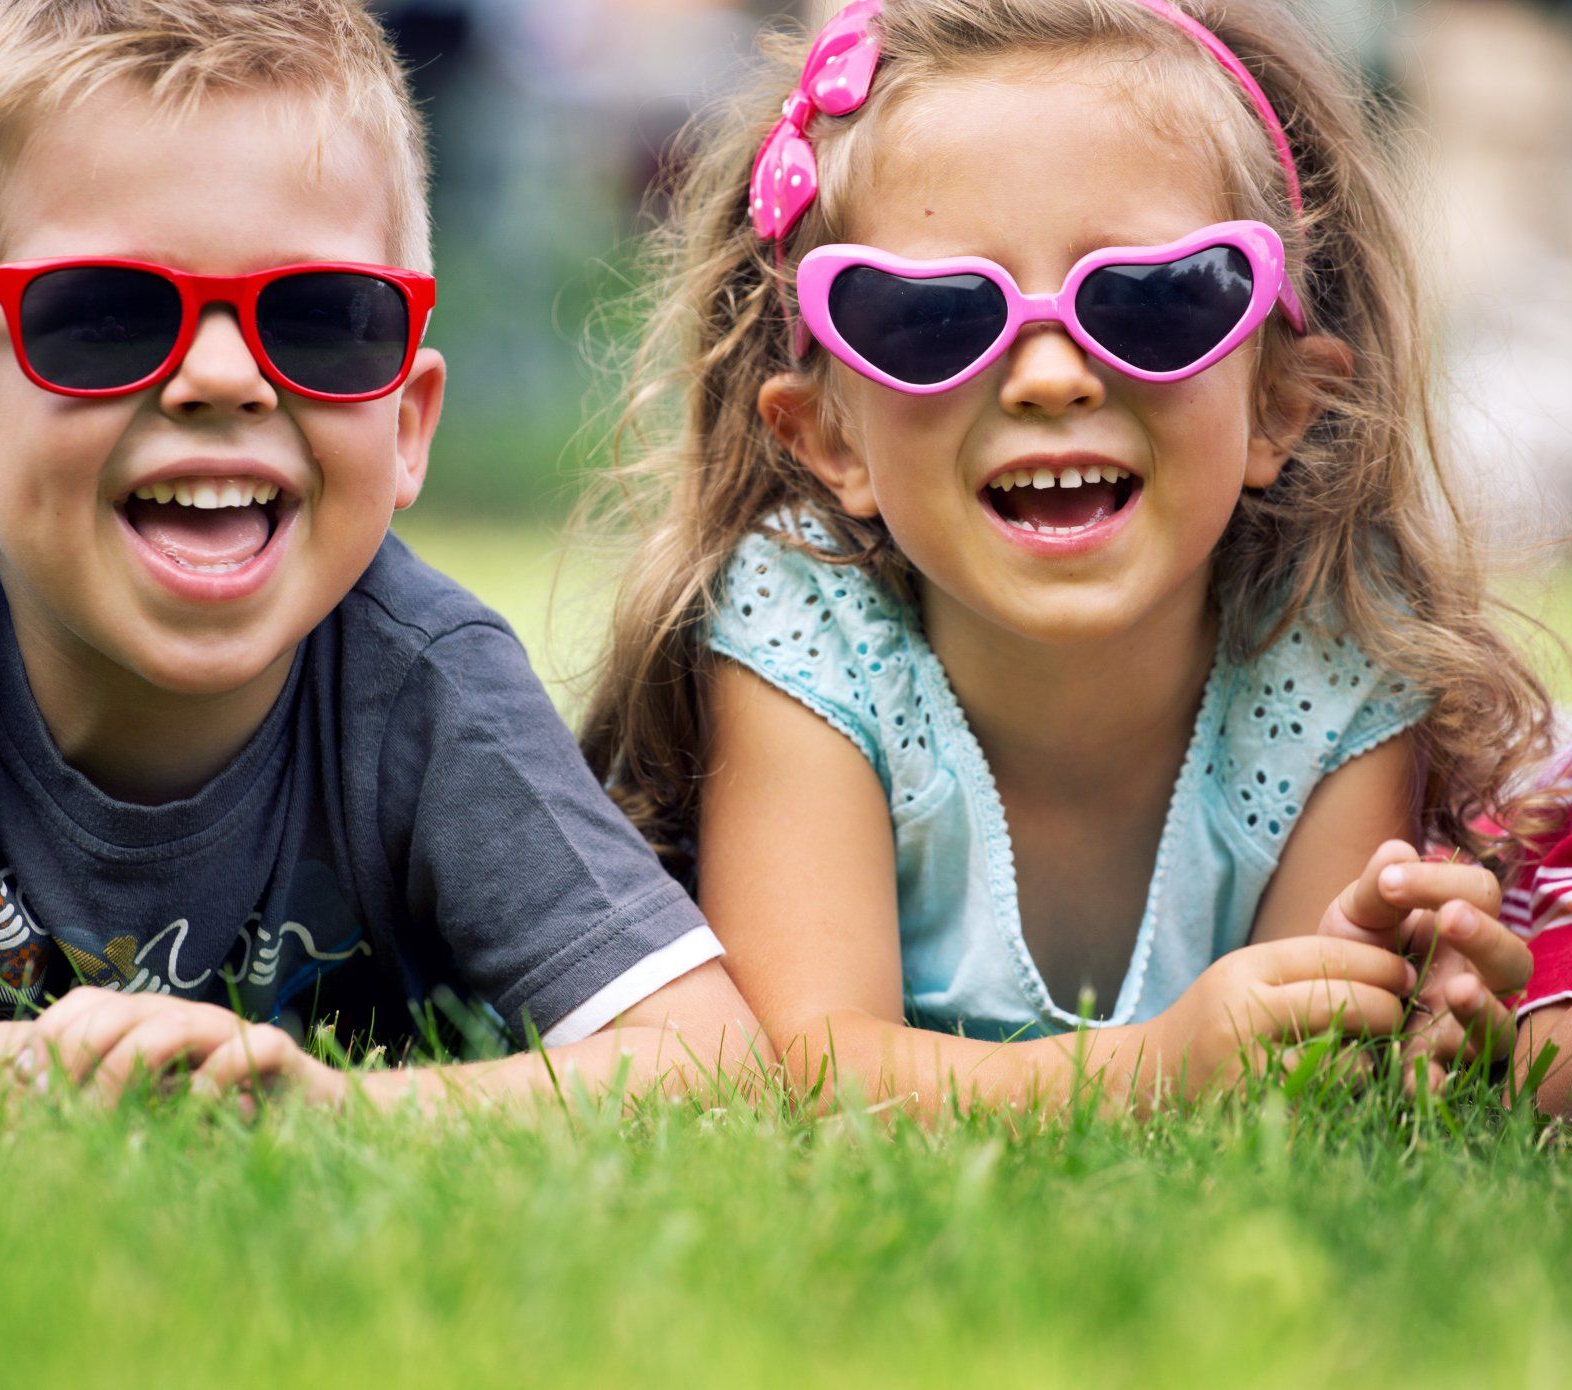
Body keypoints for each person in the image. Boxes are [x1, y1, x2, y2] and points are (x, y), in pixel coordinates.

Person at [0, 0, 755, 1108]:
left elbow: (710, 1061)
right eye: (103, 315)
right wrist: (11, 1071)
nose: (224, 378)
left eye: (322, 317)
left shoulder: (431, 688)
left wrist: (335, 1109)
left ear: (408, 424)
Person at [578, 0, 1551, 1116]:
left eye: (1153, 300)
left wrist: (1369, 1011)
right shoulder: (805, 622)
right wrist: (1154, 1070)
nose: (1049, 378)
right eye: (932, 319)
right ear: (830, 438)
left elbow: (1301, 1080)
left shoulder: (1341, 645)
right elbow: (801, 1066)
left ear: (1283, 404)